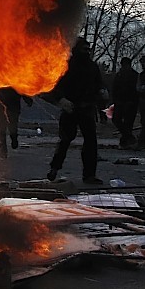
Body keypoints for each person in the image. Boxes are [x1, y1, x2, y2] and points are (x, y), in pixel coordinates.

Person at [46, 37, 106, 184]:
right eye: (83, 49)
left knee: (91, 142)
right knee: (66, 139)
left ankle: (89, 175)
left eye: (88, 49)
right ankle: (54, 168)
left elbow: (98, 86)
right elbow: (55, 86)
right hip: (70, 108)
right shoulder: (66, 66)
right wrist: (61, 100)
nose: (87, 52)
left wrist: (102, 97)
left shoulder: (92, 67)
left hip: (87, 108)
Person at [0, 86, 33, 157]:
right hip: (6, 105)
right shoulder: (0, 78)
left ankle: (12, 140)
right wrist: (27, 99)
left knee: (7, 127)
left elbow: (20, 88)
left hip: (11, 104)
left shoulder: (10, 78)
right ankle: (4, 149)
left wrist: (27, 99)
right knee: (4, 127)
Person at [111, 57, 139, 149]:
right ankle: (128, 139)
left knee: (128, 122)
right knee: (117, 120)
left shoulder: (134, 76)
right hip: (121, 101)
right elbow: (115, 88)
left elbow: (135, 90)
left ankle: (126, 141)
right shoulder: (120, 75)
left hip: (130, 102)